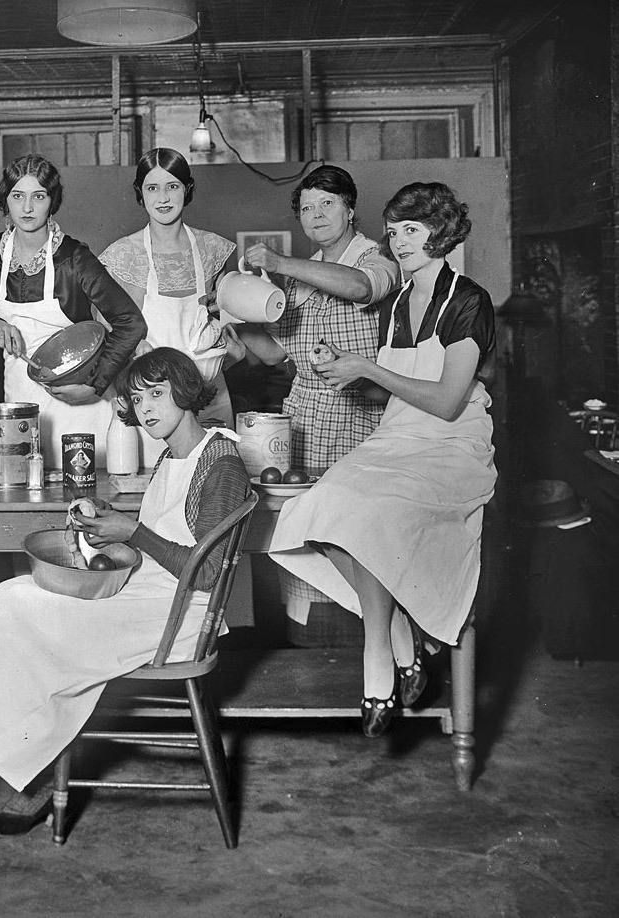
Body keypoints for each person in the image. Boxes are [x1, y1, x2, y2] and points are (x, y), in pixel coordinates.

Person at [0, 348, 251, 836]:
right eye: (138, 399)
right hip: (148, 595)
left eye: (157, 393)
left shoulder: (220, 462)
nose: (147, 408)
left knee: (22, 619)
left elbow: (209, 573)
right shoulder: (172, 455)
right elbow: (159, 541)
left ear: (186, 390)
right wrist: (107, 524)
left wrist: (132, 532)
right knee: (10, 599)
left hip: (180, 615)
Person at [268, 182, 497, 738]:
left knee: (366, 514)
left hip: (452, 446)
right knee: (319, 508)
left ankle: (379, 655)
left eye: (412, 231)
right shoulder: (397, 304)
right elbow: (397, 391)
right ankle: (398, 637)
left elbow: (446, 401)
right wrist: (344, 372)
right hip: (397, 437)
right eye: (393, 233)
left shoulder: (469, 300)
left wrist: (366, 368)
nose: (399, 243)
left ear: (442, 233)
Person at [232, 164, 399, 638]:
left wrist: (280, 262)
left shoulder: (380, 258)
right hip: (304, 425)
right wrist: (233, 322)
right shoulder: (298, 278)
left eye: (328, 203)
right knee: (302, 543)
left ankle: (386, 639)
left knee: (355, 534)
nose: (317, 214)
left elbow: (361, 287)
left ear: (351, 209)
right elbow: (276, 353)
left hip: (364, 420)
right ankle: (313, 640)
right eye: (307, 207)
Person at [0, 154, 146, 469]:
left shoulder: (74, 258)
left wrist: (94, 385)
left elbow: (130, 323)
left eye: (38, 196)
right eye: (18, 196)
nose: (27, 208)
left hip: (79, 408)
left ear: (52, 201)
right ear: (5, 200)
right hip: (20, 407)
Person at [100, 147, 242, 462]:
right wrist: (132, 350)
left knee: (211, 475)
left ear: (186, 189)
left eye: (172, 186)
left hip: (209, 396)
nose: (163, 198)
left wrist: (231, 351)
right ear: (140, 194)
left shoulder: (212, 249)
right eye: (152, 188)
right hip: (149, 401)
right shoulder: (124, 255)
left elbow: (224, 331)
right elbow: (106, 338)